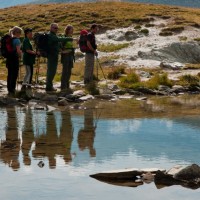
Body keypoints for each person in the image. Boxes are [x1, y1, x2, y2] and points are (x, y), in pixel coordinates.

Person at [46, 23, 73, 92]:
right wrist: (70, 38)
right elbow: (59, 39)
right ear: (51, 28)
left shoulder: (54, 35)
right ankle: (49, 87)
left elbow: (58, 44)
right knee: (51, 72)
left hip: (54, 55)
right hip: (51, 56)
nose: (56, 29)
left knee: (52, 71)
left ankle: (50, 86)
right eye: (55, 28)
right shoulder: (51, 35)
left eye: (57, 28)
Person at [6, 26, 22, 96]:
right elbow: (18, 51)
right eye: (20, 32)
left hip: (9, 59)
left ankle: (9, 88)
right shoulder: (17, 40)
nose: (20, 34)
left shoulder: (10, 39)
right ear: (17, 32)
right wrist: (20, 56)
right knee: (14, 74)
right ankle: (12, 89)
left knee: (9, 74)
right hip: (14, 59)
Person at [61, 25, 75, 90]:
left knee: (69, 70)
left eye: (72, 29)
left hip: (71, 55)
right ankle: (63, 86)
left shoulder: (71, 37)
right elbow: (60, 47)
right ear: (67, 30)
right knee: (65, 70)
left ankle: (67, 85)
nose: (72, 30)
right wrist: (64, 51)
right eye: (71, 29)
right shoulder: (64, 37)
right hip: (66, 55)